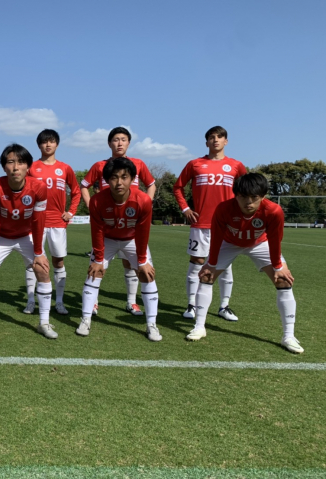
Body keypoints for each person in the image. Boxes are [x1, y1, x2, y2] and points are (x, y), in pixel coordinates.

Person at [186, 173, 303, 354]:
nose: (249, 202)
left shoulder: (274, 211)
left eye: (254, 198)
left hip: (260, 243)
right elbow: (216, 238)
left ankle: (288, 336)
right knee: (206, 276)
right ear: (236, 195)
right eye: (243, 197)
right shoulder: (224, 209)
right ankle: (199, 327)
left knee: (284, 281)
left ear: (262, 196)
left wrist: (278, 267)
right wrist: (211, 263)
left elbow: (275, 240)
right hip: (229, 243)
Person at [76, 157, 162, 342]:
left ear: (132, 179)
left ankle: (152, 324)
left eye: (124, 177)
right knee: (94, 273)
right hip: (107, 240)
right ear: (107, 180)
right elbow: (97, 231)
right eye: (114, 177)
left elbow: (143, 233)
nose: (119, 182)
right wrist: (98, 259)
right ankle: (85, 319)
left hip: (132, 240)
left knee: (147, 274)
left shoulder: (143, 200)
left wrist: (142, 262)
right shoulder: (97, 201)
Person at [0, 144, 55, 339]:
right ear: (4, 167)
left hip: (26, 235)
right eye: (10, 162)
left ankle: (44, 322)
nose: (15, 167)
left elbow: (38, 221)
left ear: (28, 167)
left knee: (43, 270)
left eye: (21, 162)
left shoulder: (38, 187)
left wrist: (38, 252)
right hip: (2, 236)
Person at [173, 126, 247, 321]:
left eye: (220, 137)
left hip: (227, 225)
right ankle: (192, 305)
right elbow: (178, 187)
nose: (216, 140)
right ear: (206, 142)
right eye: (212, 137)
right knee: (196, 263)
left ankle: (224, 306)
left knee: (226, 265)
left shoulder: (236, 165)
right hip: (201, 223)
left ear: (226, 141)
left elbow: (246, 190)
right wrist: (185, 209)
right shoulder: (195, 164)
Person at [80, 127, 155, 316]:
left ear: (129, 143)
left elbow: (151, 184)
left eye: (123, 139)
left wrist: (146, 204)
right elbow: (84, 186)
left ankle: (131, 302)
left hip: (130, 225)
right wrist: (92, 207)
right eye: (115, 139)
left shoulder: (138, 164)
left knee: (131, 265)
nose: (119, 143)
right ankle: (93, 303)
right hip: (107, 226)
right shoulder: (100, 166)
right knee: (97, 265)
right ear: (109, 143)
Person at [23, 129, 81, 315]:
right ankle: (31, 301)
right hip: (34, 222)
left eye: (52, 141)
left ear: (57, 144)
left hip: (57, 222)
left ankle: (59, 301)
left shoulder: (65, 168)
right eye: (44, 142)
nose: (48, 145)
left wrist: (70, 212)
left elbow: (76, 191)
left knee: (58, 262)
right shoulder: (31, 167)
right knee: (33, 262)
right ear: (39, 145)